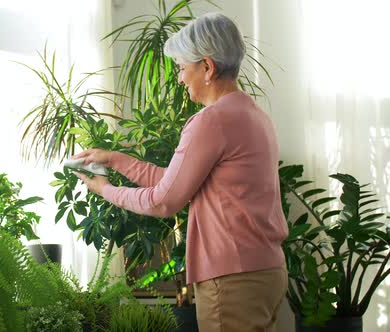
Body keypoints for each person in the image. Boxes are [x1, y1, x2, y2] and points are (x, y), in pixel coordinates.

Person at [72, 12, 288, 332]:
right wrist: (116, 160)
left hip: (232, 281)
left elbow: (163, 201)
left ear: (207, 67)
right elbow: (177, 181)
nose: (180, 78)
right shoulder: (255, 116)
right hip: (267, 272)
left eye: (183, 68)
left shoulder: (211, 121)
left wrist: (105, 190)